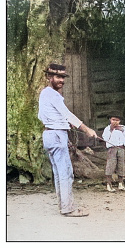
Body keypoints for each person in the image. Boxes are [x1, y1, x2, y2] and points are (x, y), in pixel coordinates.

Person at [38, 63, 98, 217]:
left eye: (63, 77)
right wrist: (87, 130)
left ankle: (63, 206)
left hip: (49, 135)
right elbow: (68, 115)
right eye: (58, 77)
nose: (61, 80)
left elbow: (44, 117)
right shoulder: (53, 95)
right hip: (57, 135)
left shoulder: (44, 94)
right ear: (49, 77)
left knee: (59, 173)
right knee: (66, 173)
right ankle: (69, 209)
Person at [102, 114, 125, 192]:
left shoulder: (123, 128)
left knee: (121, 165)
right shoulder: (107, 129)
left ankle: (121, 184)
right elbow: (105, 138)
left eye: (117, 120)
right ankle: (109, 185)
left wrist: (122, 130)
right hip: (112, 148)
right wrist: (111, 130)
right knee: (111, 165)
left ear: (120, 121)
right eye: (113, 120)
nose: (115, 122)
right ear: (110, 120)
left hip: (121, 148)